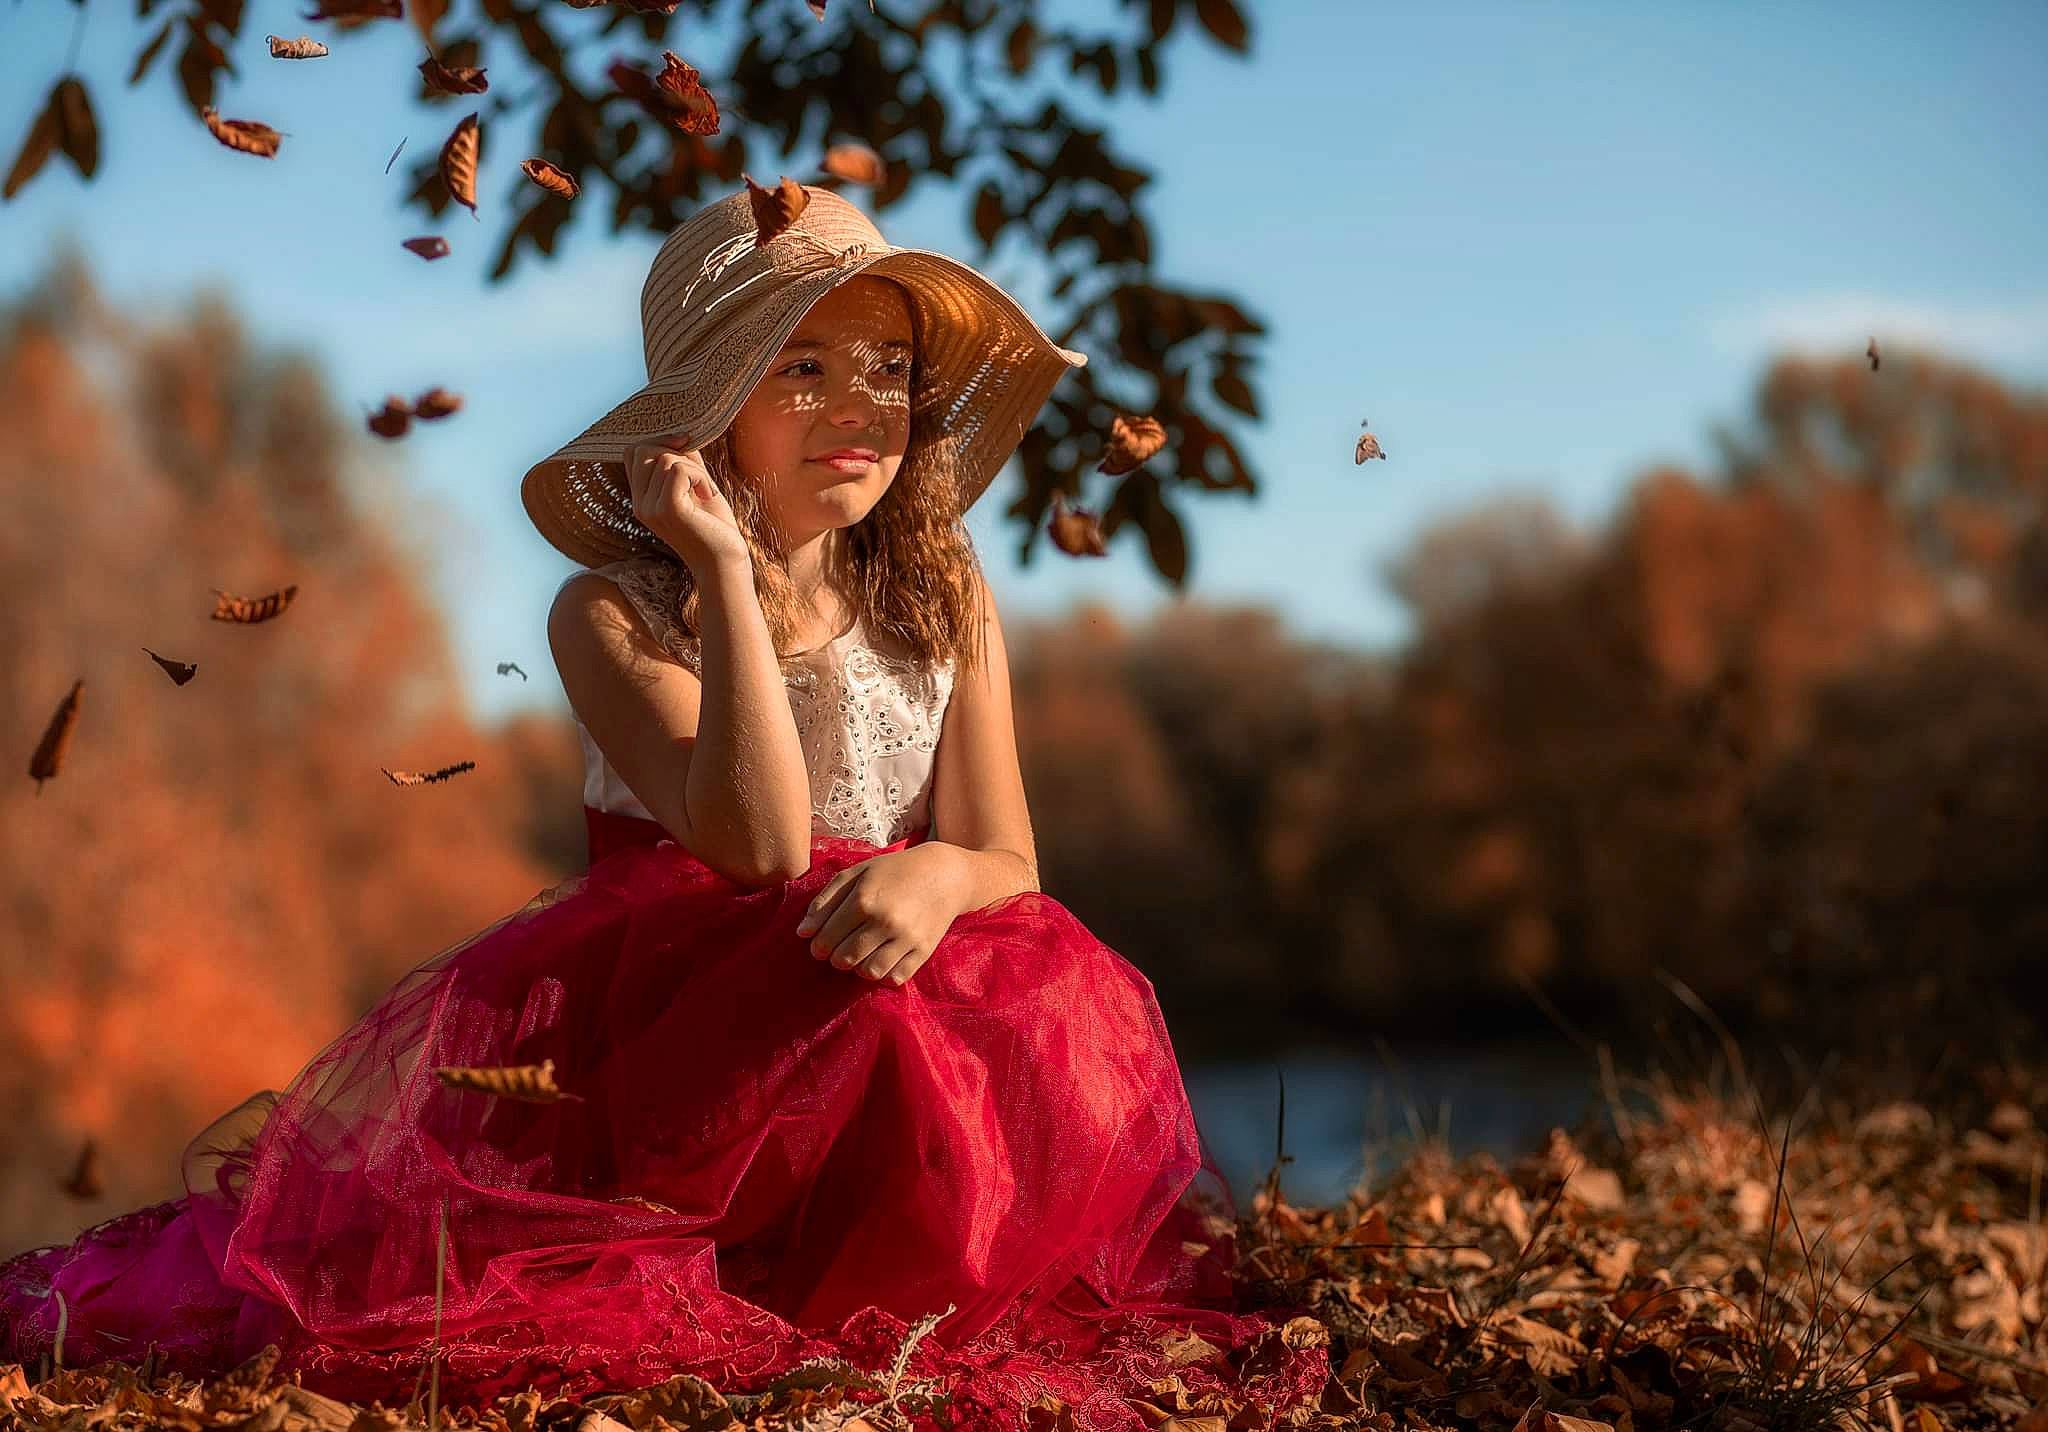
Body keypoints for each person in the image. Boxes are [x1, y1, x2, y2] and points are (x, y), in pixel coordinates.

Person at [0, 184, 1324, 1430]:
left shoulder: (940, 582)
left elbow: (1009, 853)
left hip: (893, 962)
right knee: (844, 1006)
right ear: (706, 412)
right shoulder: (612, 613)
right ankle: (765, 1281)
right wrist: (725, 576)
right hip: (681, 1030)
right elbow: (758, 845)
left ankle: (899, 1284)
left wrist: (938, 877)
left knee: (1031, 978)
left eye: (885, 370)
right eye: (801, 368)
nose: (857, 404)